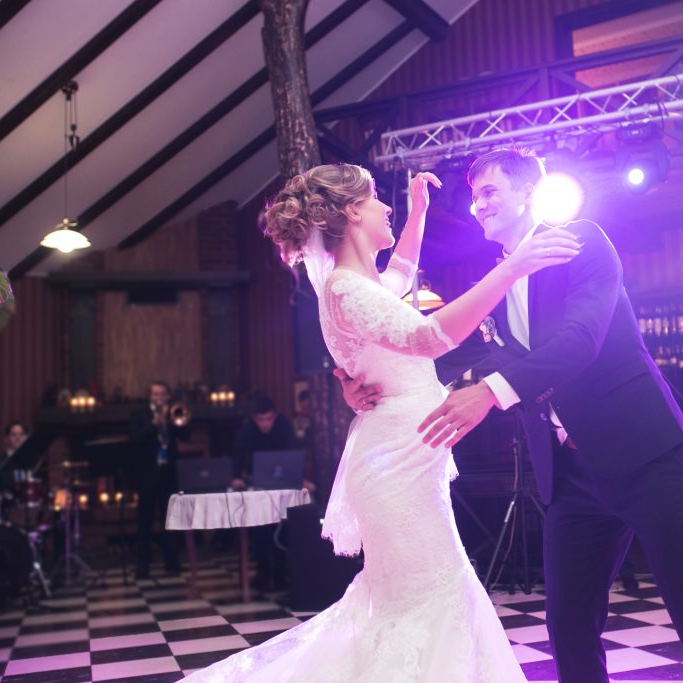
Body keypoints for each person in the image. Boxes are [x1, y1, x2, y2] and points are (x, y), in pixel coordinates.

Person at [341, 147, 683, 683]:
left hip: (645, 455)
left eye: (490, 192)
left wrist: (490, 393)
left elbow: (579, 341)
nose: (478, 206)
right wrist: (370, 380)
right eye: (474, 197)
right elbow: (469, 357)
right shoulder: (499, 278)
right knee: (568, 624)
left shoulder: (580, 241)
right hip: (570, 478)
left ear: (527, 194)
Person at [182, 163, 578, 682]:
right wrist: (510, 269)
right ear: (350, 212)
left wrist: (417, 215)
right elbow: (429, 338)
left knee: (424, 597)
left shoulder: (356, 284)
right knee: (428, 597)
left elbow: (400, 276)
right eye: (376, 201)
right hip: (395, 465)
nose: (385, 208)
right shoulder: (345, 289)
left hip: (405, 456)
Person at [231, 394, 313, 589]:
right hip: (256, 484)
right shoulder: (247, 428)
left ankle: (280, 573)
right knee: (259, 529)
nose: (265, 424)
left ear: (274, 416)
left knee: (282, 528)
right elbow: (238, 452)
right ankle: (263, 573)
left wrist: (300, 478)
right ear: (253, 418)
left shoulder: (283, 425)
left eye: (269, 419)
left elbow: (293, 452)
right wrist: (235, 476)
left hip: (282, 482)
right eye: (260, 420)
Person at [131, 381, 184, 579]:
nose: (159, 398)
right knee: (144, 519)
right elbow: (134, 437)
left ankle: (172, 562)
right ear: (150, 397)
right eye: (155, 394)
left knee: (170, 519)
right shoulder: (139, 414)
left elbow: (185, 435)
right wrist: (153, 426)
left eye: (162, 394)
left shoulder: (173, 412)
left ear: (168, 396)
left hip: (168, 473)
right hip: (147, 473)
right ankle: (142, 566)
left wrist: (176, 421)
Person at [0, 422, 29, 518]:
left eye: (22, 434)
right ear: (6, 439)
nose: (18, 438)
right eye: (13, 434)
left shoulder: (34, 463)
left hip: (29, 512)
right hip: (4, 513)